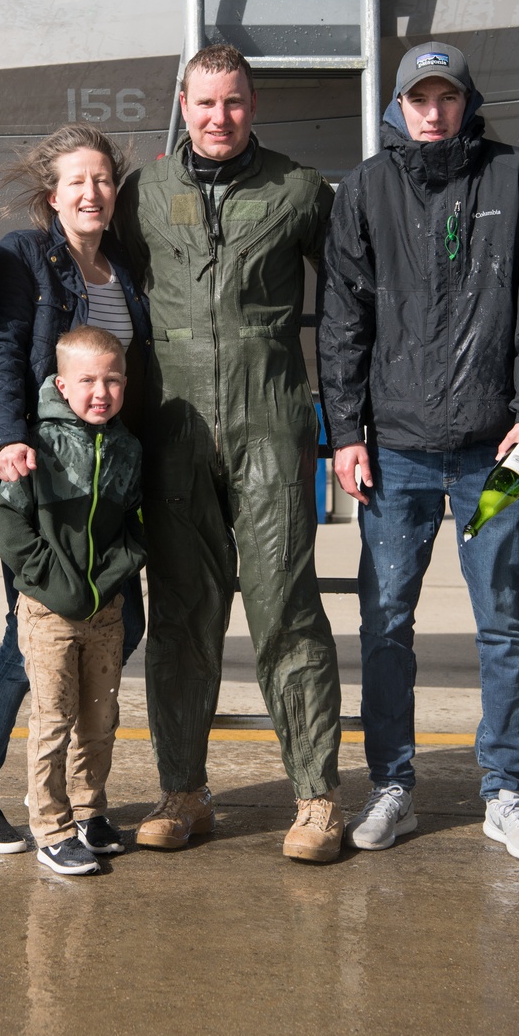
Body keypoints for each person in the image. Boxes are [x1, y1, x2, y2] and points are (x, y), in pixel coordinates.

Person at [317, 42, 519, 862]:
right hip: (397, 458)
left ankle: (506, 792)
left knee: (501, 617)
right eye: (420, 97)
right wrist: (348, 434)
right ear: (399, 104)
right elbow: (343, 325)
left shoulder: (516, 177)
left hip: (491, 456)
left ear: (467, 102)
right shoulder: (363, 190)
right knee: (387, 621)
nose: (434, 110)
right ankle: (393, 786)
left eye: (447, 96)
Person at [116, 43, 345, 862]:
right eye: (206, 104)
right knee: (181, 616)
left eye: (235, 103)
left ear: (255, 105)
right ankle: (183, 793)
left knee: (286, 609)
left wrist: (352, 418)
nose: (220, 119)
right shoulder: (143, 194)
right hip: (173, 427)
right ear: (183, 105)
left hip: (271, 424)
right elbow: (106, 292)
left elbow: (355, 299)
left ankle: (316, 799)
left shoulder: (298, 191)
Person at [0, 124, 151, 854]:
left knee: (120, 629)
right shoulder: (27, 256)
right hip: (47, 483)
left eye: (103, 180)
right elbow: (5, 351)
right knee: (30, 647)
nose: (93, 193)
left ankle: (81, 800)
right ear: (52, 195)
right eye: (78, 182)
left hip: (107, 484)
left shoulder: (122, 266)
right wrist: (8, 438)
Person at [0, 326, 146, 876]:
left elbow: (136, 522)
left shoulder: (127, 449)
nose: (100, 392)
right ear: (61, 384)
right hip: (49, 613)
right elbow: (9, 525)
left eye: (111, 380)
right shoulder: (39, 446)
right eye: (86, 381)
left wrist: (114, 575)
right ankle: (52, 828)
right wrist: (51, 582)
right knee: (53, 719)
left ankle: (88, 810)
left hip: (106, 612)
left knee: (100, 719)